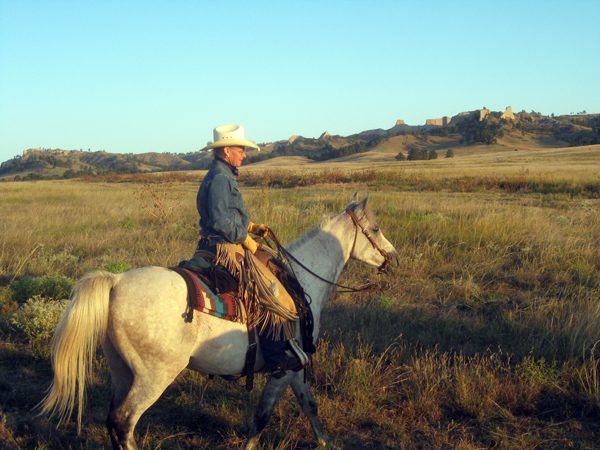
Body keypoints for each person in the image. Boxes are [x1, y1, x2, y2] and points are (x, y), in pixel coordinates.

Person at [195, 124, 306, 378]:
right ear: (226, 151)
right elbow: (222, 222)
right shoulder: (222, 178)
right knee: (269, 290)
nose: (244, 155)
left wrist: (251, 226)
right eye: (240, 150)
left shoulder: (220, 173)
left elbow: (227, 214)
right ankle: (275, 358)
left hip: (218, 242)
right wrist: (247, 240)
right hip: (225, 246)